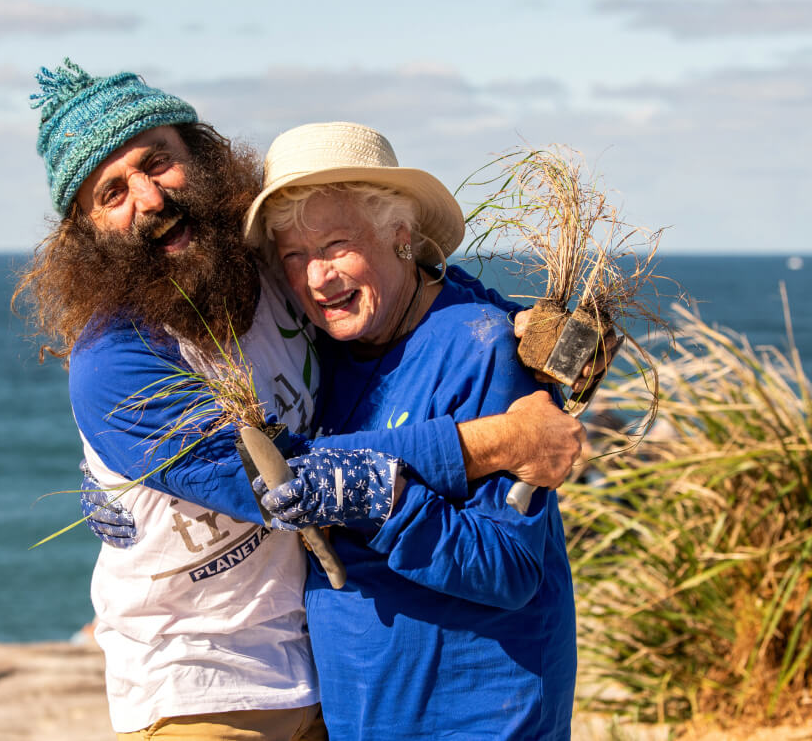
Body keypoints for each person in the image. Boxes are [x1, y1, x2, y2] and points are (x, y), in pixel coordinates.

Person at [14, 61, 588, 740]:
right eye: (112, 192)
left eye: (157, 161)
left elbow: (403, 283)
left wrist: (535, 336)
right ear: (86, 232)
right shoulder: (115, 363)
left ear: (199, 157)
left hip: (323, 685)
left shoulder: (266, 275)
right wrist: (500, 440)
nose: (149, 197)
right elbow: (281, 481)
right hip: (200, 689)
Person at [243, 122, 580, 739]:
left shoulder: (482, 348)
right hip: (365, 716)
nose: (317, 277)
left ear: (400, 235)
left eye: (336, 245)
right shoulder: (325, 351)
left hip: (477, 716)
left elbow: (510, 569)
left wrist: (386, 500)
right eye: (294, 256)